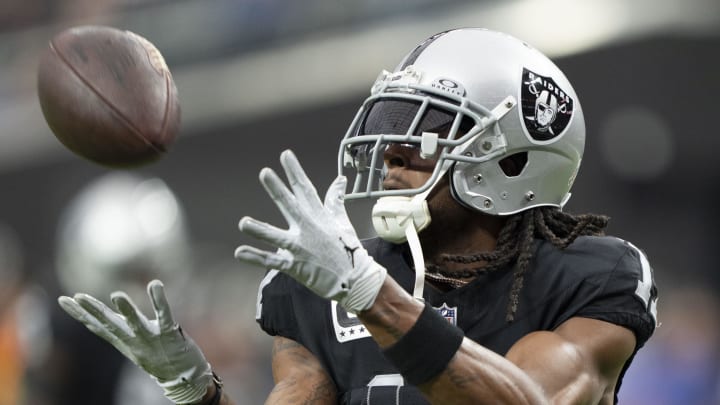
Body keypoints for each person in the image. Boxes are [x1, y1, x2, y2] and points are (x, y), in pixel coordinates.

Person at [58, 28, 659, 404]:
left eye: (426, 131)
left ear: (512, 159)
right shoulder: (323, 287)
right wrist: (195, 392)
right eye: (393, 125)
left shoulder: (588, 276)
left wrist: (371, 295)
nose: (393, 150)